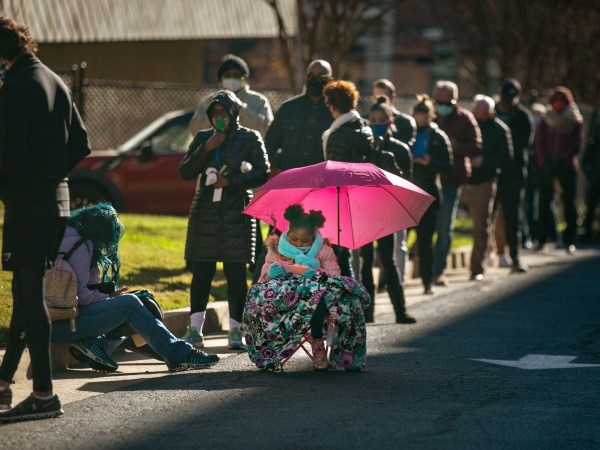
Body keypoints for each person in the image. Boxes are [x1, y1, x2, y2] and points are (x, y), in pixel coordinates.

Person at [0, 17, 91, 423]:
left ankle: (42, 394)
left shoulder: (16, 87)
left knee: (28, 295)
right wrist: (52, 178)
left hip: (27, 207)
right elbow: (82, 143)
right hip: (56, 204)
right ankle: (4, 384)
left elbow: (10, 156)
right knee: (26, 292)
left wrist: (17, 187)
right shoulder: (55, 79)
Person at [49, 204, 220, 373]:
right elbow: (82, 296)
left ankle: (97, 344)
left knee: (132, 304)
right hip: (60, 325)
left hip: (49, 323)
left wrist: (106, 294)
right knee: (131, 303)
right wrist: (109, 297)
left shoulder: (67, 232)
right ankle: (179, 354)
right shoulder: (83, 244)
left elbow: (78, 287)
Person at [179, 90, 270, 351]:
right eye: (214, 113)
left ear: (233, 112)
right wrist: (207, 148)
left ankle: (235, 330)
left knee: (235, 274)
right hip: (204, 215)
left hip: (237, 214)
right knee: (202, 273)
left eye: (223, 112)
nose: (219, 117)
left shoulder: (249, 137)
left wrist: (230, 181)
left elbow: (263, 172)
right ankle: (195, 330)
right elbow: (185, 171)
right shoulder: (203, 138)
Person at [245, 204, 370, 372]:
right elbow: (263, 281)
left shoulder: (325, 251)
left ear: (313, 237)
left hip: (315, 300)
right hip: (285, 302)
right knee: (259, 294)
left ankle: (317, 341)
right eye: (294, 239)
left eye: (305, 241)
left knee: (315, 292)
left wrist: (316, 271)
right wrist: (271, 273)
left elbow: (334, 277)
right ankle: (273, 345)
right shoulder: (276, 251)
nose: (299, 244)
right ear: (287, 234)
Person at [360, 98, 416, 324]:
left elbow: (407, 183)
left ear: (390, 122)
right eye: (372, 121)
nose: (376, 125)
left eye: (381, 121)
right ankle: (368, 311)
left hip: (386, 209)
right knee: (366, 260)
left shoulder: (399, 149)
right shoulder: (363, 146)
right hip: (365, 209)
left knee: (388, 259)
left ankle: (400, 310)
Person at [432, 81, 482, 287]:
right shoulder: (429, 115)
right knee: (421, 226)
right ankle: (423, 265)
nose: (442, 104)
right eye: (439, 100)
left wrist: (457, 145)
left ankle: (439, 271)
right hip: (427, 179)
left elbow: (477, 146)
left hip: (451, 180)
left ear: (455, 100)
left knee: (445, 226)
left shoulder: (465, 119)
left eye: (447, 101)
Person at [322, 80, 374, 277]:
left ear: (334, 105)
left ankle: (348, 298)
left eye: (328, 104)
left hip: (339, 199)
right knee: (349, 253)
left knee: (339, 254)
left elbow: (334, 172)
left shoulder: (338, 135)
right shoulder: (365, 129)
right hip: (361, 196)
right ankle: (359, 302)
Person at [464, 95, 512, 281]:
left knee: (481, 225)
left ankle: (477, 267)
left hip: (483, 181)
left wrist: (484, 162)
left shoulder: (500, 130)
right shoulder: (468, 123)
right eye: (476, 111)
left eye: (482, 113)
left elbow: (506, 157)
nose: (478, 115)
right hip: (462, 178)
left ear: (491, 112)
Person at [409, 95, 453, 294]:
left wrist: (430, 162)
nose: (421, 118)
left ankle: (428, 281)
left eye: (424, 115)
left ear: (430, 115)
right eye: (418, 114)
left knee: (425, 242)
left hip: (429, 193)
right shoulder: (407, 133)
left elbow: (448, 164)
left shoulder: (438, 135)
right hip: (408, 193)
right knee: (398, 242)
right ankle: (388, 282)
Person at [535, 86, 584, 254]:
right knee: (543, 203)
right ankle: (541, 239)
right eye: (555, 101)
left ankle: (569, 239)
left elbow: (575, 145)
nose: (557, 104)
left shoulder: (574, 120)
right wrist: (545, 162)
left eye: (561, 101)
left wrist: (562, 160)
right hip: (547, 167)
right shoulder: (546, 120)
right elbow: (539, 142)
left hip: (566, 167)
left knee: (568, 203)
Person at [493, 79, 534, 272]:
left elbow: (524, 144)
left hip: (514, 174)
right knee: (488, 216)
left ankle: (515, 258)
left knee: (512, 217)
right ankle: (486, 258)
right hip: (492, 172)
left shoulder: (523, 117)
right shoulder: (491, 113)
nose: (507, 102)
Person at [265, 59, 333, 174]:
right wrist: (279, 162)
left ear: (330, 81)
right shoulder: (288, 108)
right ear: (306, 77)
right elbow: (270, 143)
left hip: (323, 180)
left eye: (321, 76)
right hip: (291, 178)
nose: (315, 80)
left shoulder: (335, 111)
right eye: (311, 75)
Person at [189, 54, 273, 138]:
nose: (232, 78)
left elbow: (268, 131)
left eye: (236, 75)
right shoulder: (208, 101)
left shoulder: (259, 101)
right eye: (227, 75)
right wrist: (213, 111)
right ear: (221, 79)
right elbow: (195, 132)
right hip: (218, 150)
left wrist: (240, 107)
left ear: (244, 77)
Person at [370, 79, 417, 147]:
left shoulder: (405, 122)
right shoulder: (365, 120)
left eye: (383, 98)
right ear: (371, 98)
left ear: (393, 97)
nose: (380, 102)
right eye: (377, 98)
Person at [581, 118, 600, 242]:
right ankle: (587, 234)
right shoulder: (594, 144)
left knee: (591, 208)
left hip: (593, 179)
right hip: (594, 180)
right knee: (591, 208)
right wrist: (590, 175)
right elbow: (583, 162)